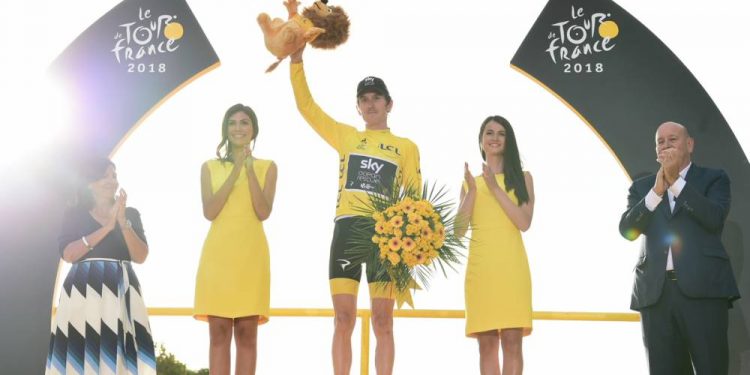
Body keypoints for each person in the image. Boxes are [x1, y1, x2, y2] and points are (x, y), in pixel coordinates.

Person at [289, 45, 421, 375]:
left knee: (383, 321)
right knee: (343, 318)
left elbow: (415, 200)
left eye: (377, 97)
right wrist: (296, 61)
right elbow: (308, 108)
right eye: (365, 99)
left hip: (387, 238)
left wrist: (415, 242)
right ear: (358, 108)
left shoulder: (406, 147)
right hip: (347, 230)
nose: (371, 103)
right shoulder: (346, 137)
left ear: (389, 104)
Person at [619, 121, 740, 375]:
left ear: (689, 144)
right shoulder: (642, 188)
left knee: (711, 367)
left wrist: (676, 182)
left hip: (704, 293)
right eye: (660, 141)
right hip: (656, 296)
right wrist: (656, 192)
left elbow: (713, 218)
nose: (665, 144)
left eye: (672, 139)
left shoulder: (714, 179)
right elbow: (627, 230)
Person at [46, 157, 155, 375]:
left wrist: (123, 222)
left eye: (114, 175)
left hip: (121, 289)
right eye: (104, 176)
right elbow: (69, 253)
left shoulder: (130, 214)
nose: (111, 180)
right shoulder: (74, 213)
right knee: (82, 354)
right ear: (89, 182)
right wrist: (107, 227)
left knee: (122, 355)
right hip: (84, 290)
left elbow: (140, 256)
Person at [193, 104, 278, 375]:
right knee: (218, 334)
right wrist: (236, 168)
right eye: (232, 123)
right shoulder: (209, 167)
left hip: (251, 256)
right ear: (225, 129)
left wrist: (250, 170)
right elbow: (210, 211)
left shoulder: (268, 167)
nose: (238, 128)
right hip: (218, 256)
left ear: (253, 130)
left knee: (247, 334)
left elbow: (263, 211)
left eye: (244, 123)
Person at [456, 116, 534, 375]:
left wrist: (494, 187)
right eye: (489, 133)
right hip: (481, 270)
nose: (495, 138)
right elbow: (458, 231)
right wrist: (473, 192)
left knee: (513, 343)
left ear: (508, 140)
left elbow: (523, 222)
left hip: (511, 267)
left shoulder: (523, 178)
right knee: (486, 345)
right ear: (481, 140)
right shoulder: (470, 183)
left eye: (501, 133)